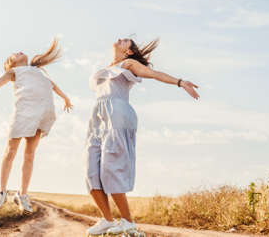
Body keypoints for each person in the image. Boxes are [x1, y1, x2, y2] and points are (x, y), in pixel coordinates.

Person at [85, 37, 199, 235]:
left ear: (129, 51)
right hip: (97, 118)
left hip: (118, 115)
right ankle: (107, 219)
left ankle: (128, 222)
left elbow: (152, 74)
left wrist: (180, 82)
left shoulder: (128, 63)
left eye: (126, 41)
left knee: (111, 169)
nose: (120, 39)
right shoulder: (106, 67)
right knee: (91, 172)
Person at [0, 38, 72, 214]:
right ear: (11, 63)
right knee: (10, 151)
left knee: (29, 155)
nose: (19, 51)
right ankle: (2, 192)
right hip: (23, 114)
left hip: (42, 114)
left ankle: (22, 195)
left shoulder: (38, 72)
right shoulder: (14, 72)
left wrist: (66, 98)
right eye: (14, 54)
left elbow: (53, 86)